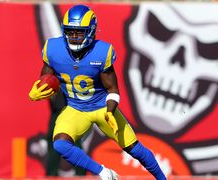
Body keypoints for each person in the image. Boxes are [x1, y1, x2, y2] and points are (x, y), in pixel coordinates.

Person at [29, 4, 166, 180]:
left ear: (91, 31)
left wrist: (110, 110)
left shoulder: (101, 52)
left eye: (79, 32)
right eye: (70, 31)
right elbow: (46, 78)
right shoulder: (53, 49)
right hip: (75, 108)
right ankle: (103, 172)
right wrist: (38, 90)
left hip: (102, 108)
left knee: (135, 149)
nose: (74, 36)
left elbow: (112, 88)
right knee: (61, 145)